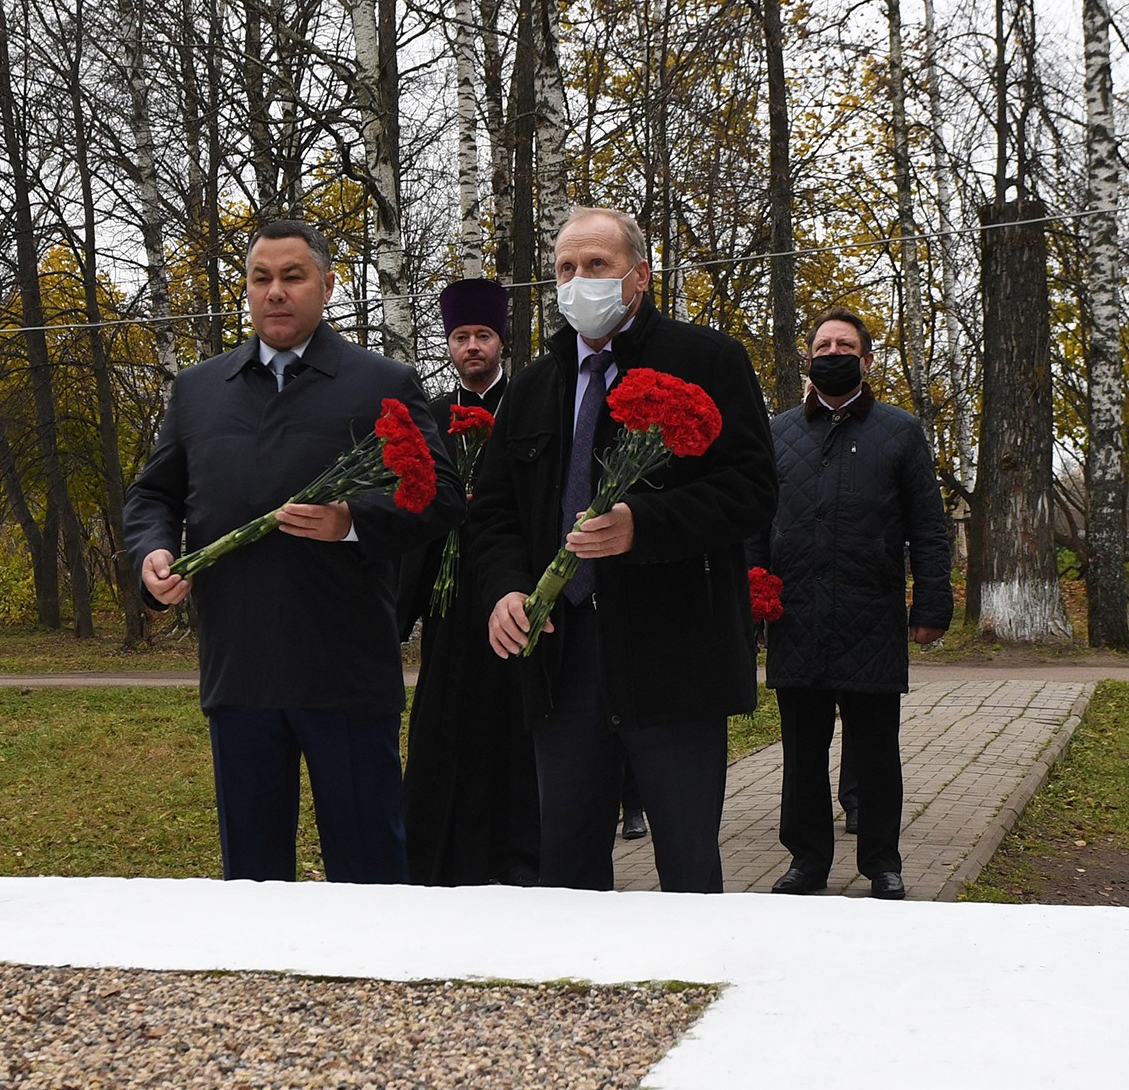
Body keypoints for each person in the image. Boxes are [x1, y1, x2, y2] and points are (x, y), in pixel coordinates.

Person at [125, 218, 464, 885]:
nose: (275, 292)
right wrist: (152, 556)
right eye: (261, 279)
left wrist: (353, 521)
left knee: (369, 876)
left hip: (344, 673)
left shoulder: (380, 382)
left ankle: (377, 984)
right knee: (252, 884)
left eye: (292, 276)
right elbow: (150, 499)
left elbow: (444, 493)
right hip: (240, 670)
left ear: (328, 285)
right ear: (246, 290)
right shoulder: (198, 391)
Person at [472, 206, 777, 893]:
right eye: (566, 269)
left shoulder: (706, 362)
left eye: (597, 266)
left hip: (674, 657)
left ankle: (695, 983)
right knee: (569, 869)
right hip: (562, 660)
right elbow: (494, 516)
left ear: (639, 276)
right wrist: (504, 589)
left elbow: (752, 490)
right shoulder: (532, 387)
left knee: (687, 865)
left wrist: (646, 523)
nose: (580, 281)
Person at [755, 308, 952, 900]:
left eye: (845, 346)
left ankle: (881, 862)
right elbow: (754, 520)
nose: (832, 352)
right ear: (808, 360)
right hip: (798, 613)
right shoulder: (779, 431)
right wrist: (752, 595)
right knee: (803, 752)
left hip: (871, 612)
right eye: (823, 344)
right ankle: (807, 862)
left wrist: (931, 606)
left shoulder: (900, 431)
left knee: (874, 750)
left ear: (866, 362)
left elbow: (929, 525)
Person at [397, 277, 539, 886]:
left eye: (483, 335)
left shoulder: (528, 406)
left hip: (510, 593)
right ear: (449, 344)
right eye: (461, 337)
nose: (472, 347)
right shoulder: (429, 418)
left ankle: (518, 861)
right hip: (449, 599)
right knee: (443, 729)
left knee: (512, 732)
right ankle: (439, 863)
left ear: (501, 342)